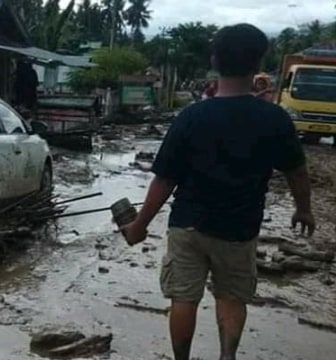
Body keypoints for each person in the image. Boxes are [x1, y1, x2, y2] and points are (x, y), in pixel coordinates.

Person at [120, 24, 315, 360]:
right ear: (258, 64)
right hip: (240, 228)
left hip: (188, 226)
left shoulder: (192, 116)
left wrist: (139, 225)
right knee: (231, 298)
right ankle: (227, 357)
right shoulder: (274, 118)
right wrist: (303, 209)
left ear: (215, 61)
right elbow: (296, 171)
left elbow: (164, 180)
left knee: (183, 298)